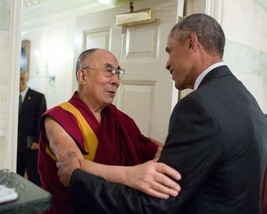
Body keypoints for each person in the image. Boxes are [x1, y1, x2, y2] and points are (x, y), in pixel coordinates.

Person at [57, 13, 267, 214]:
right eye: (108, 71)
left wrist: (78, 178)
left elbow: (155, 204)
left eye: (169, 51)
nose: (167, 63)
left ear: (191, 43)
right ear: (82, 76)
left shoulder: (198, 106)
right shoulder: (247, 99)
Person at [38, 48, 181, 214]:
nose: (116, 81)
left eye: (118, 72)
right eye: (108, 71)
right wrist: (133, 175)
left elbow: (151, 148)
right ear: (83, 76)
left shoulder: (120, 120)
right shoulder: (57, 119)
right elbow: (73, 172)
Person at [17, 69, 47, 186]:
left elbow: (41, 121)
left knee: (34, 177)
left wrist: (37, 141)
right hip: (15, 145)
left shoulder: (38, 97)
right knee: (16, 175)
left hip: (31, 145)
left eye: (22, 79)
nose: (19, 82)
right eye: (17, 78)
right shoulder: (10, 97)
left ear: (27, 79)